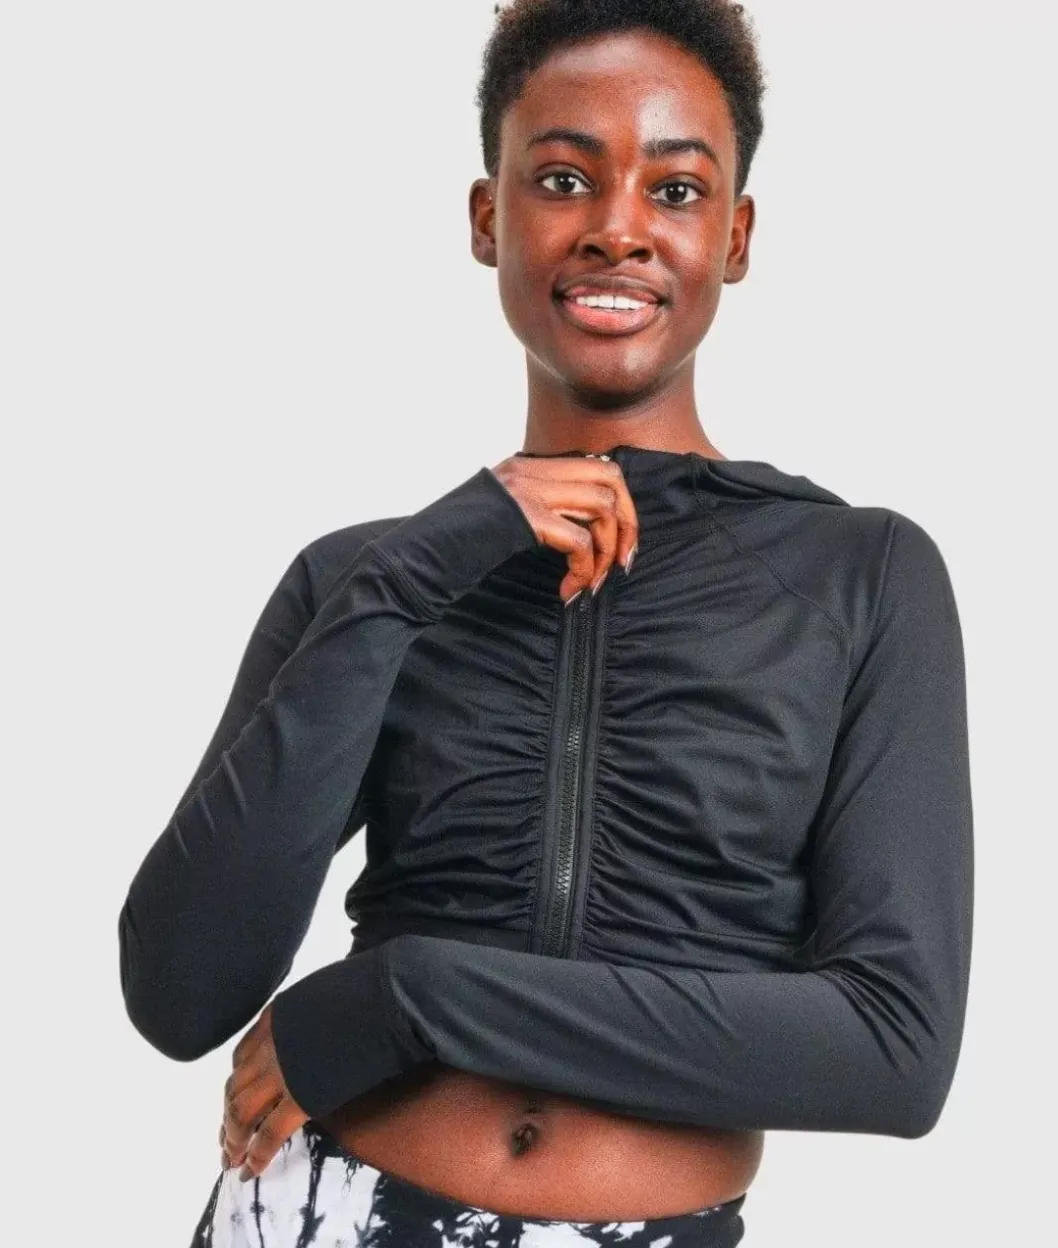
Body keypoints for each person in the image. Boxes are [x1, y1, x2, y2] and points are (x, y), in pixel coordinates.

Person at [117, 2, 974, 1244]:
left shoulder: (861, 576)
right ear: (488, 219)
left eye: (674, 191)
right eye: (563, 179)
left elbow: (891, 1049)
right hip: (313, 1213)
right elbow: (178, 990)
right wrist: (414, 574)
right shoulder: (368, 577)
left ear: (733, 237)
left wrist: (411, 998)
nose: (617, 228)